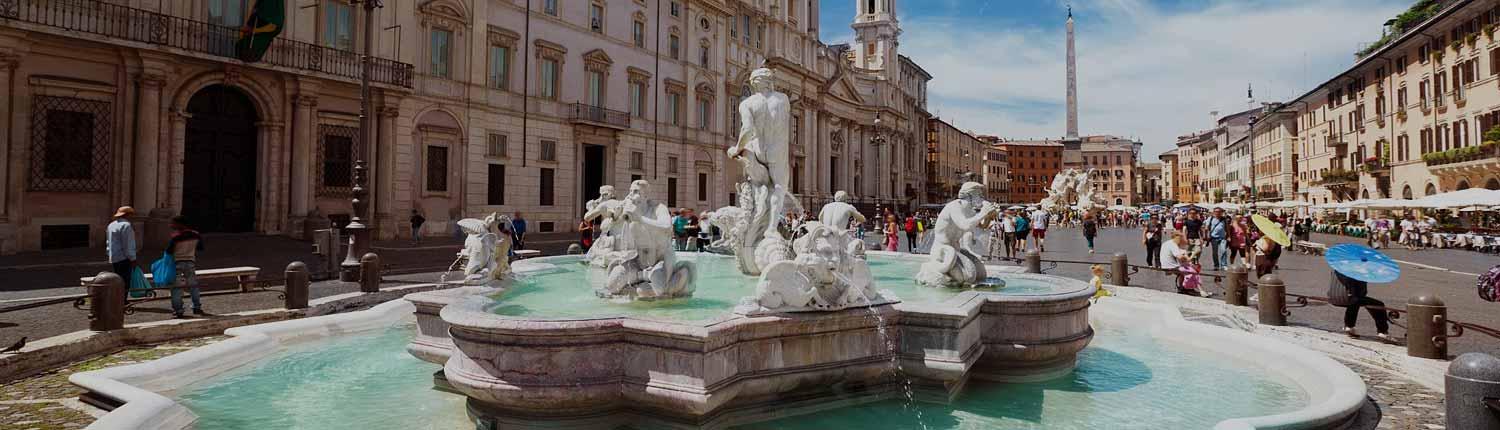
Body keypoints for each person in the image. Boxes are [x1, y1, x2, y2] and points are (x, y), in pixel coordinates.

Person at [1332, 271, 1392, 342]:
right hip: (1349, 298)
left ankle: (1349, 326)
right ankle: (1383, 331)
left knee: (1355, 301)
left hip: (1334, 296)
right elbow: (1361, 292)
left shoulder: (1337, 270)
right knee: (1379, 304)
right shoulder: (1357, 272)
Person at [166, 216, 205, 318]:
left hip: (177, 263)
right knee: (193, 286)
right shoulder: (196, 234)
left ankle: (178, 310)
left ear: (180, 224)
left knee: (176, 288)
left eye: (173, 223)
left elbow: (169, 251)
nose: (171, 225)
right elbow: (200, 248)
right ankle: (197, 307)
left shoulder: (176, 236)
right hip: (190, 262)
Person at [107, 206, 137, 281]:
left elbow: (108, 242)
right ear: (128, 215)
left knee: (118, 280)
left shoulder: (111, 225)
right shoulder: (126, 225)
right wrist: (133, 259)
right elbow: (128, 244)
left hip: (114, 258)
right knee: (126, 281)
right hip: (124, 258)